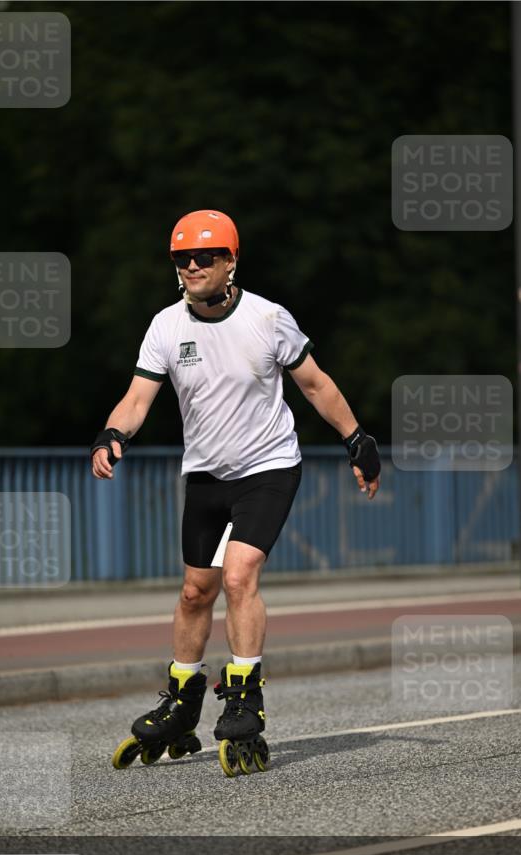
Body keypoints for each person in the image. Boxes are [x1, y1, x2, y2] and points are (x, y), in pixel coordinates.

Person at [92, 209, 381, 776]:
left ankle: (245, 696)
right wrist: (111, 432)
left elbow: (316, 384)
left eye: (205, 257)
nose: (193, 266)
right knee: (195, 592)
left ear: (231, 261)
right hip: (205, 473)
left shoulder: (268, 318)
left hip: (269, 467)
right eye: (182, 258)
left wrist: (356, 439)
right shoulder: (165, 327)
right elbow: (137, 398)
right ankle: (181, 700)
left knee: (238, 574)